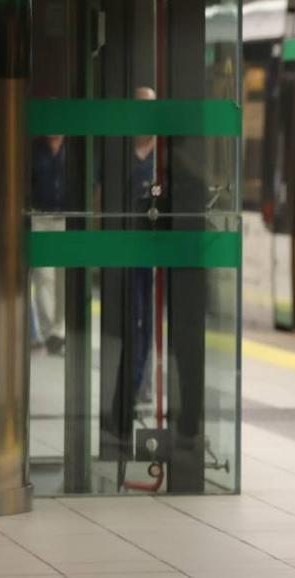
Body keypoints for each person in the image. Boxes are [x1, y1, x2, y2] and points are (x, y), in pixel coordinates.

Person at [131, 87, 158, 405]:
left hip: (155, 250)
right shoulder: (119, 152)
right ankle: (132, 384)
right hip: (127, 249)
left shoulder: (164, 155)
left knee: (148, 321)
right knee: (132, 316)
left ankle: (144, 386)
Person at [31, 134, 67, 354]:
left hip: (66, 218)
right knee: (44, 277)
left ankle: (60, 331)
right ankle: (48, 332)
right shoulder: (35, 150)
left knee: (64, 279)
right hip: (40, 217)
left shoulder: (73, 150)